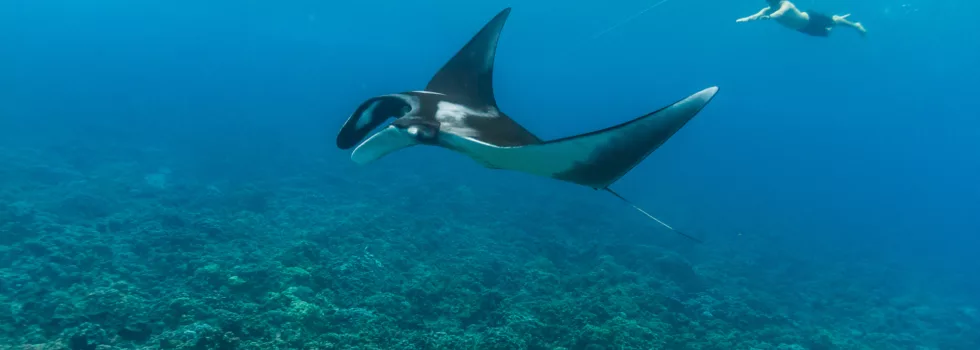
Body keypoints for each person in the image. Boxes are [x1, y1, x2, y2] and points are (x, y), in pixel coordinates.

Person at [736, 0, 866, 37]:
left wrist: (769, 17)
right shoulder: (768, 9)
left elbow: (781, 13)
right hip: (802, 28)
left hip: (810, 18)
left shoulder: (786, 4)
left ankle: (856, 25)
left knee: (833, 21)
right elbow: (756, 16)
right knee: (827, 33)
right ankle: (835, 21)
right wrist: (746, 19)